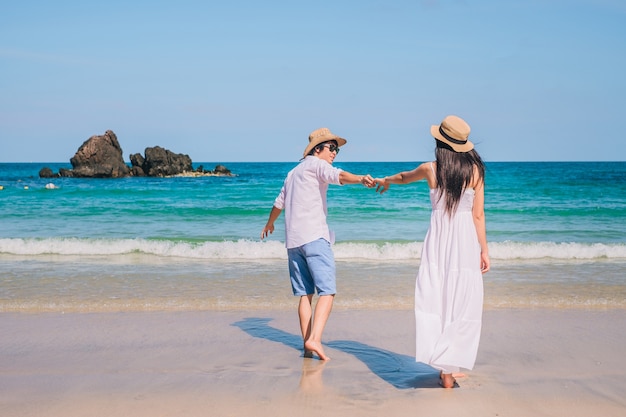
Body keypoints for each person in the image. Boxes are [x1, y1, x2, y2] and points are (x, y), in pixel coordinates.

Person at [375, 115, 490, 388]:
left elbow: (404, 177)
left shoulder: (431, 169)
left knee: (436, 294)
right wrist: (483, 249)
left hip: (439, 239)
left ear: (440, 142)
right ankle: (449, 364)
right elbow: (478, 215)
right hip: (464, 241)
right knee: (461, 298)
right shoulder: (475, 172)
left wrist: (387, 180)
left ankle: (445, 367)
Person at [261, 127, 375, 361]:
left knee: (305, 295)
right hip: (314, 237)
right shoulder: (316, 164)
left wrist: (269, 224)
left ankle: (306, 345)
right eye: (331, 148)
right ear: (317, 149)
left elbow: (278, 203)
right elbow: (339, 176)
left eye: (337, 150)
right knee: (328, 291)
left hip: (293, 242)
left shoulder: (292, 173)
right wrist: (361, 178)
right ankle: (315, 339)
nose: (334, 153)